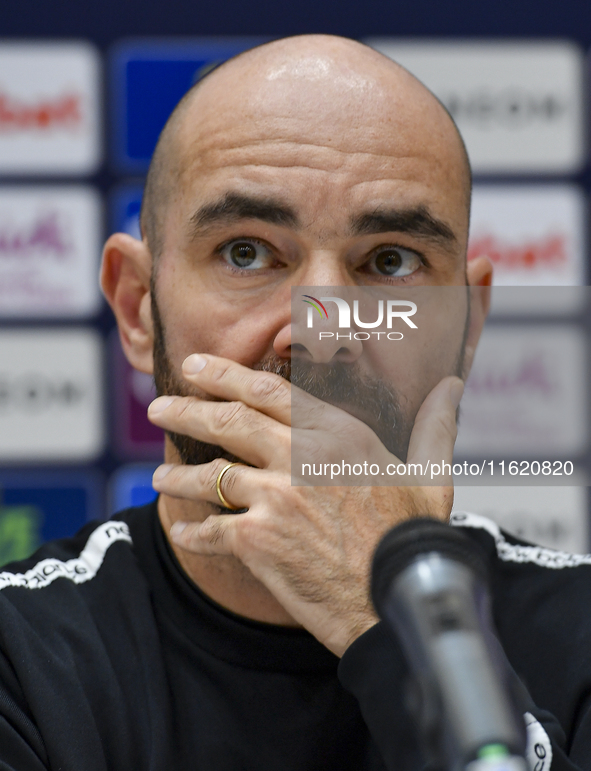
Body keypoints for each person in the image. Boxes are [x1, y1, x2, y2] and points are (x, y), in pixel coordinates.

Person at [0, 34, 588, 771]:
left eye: (389, 261)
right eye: (245, 252)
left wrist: (391, 624)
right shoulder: (18, 655)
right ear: (137, 308)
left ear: (466, 326)